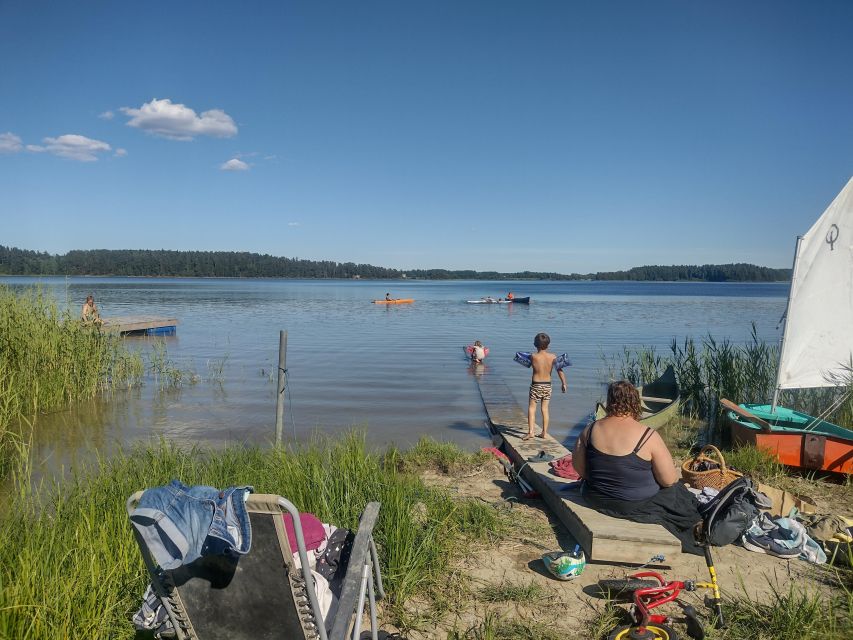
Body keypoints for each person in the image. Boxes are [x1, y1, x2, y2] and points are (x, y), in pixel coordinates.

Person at [572, 380, 703, 555]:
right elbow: (669, 480)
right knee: (679, 493)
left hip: (596, 498)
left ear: (610, 402)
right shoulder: (648, 435)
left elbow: (580, 469)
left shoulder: (589, 430)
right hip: (633, 505)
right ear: (635, 402)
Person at [524, 332, 567, 440]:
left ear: (535, 344)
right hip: (547, 385)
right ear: (548, 345)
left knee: (532, 408)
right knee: (545, 409)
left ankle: (531, 432)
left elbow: (524, 360)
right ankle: (544, 432)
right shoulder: (553, 357)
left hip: (536, 385)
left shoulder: (533, 356)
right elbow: (560, 370)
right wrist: (564, 383)